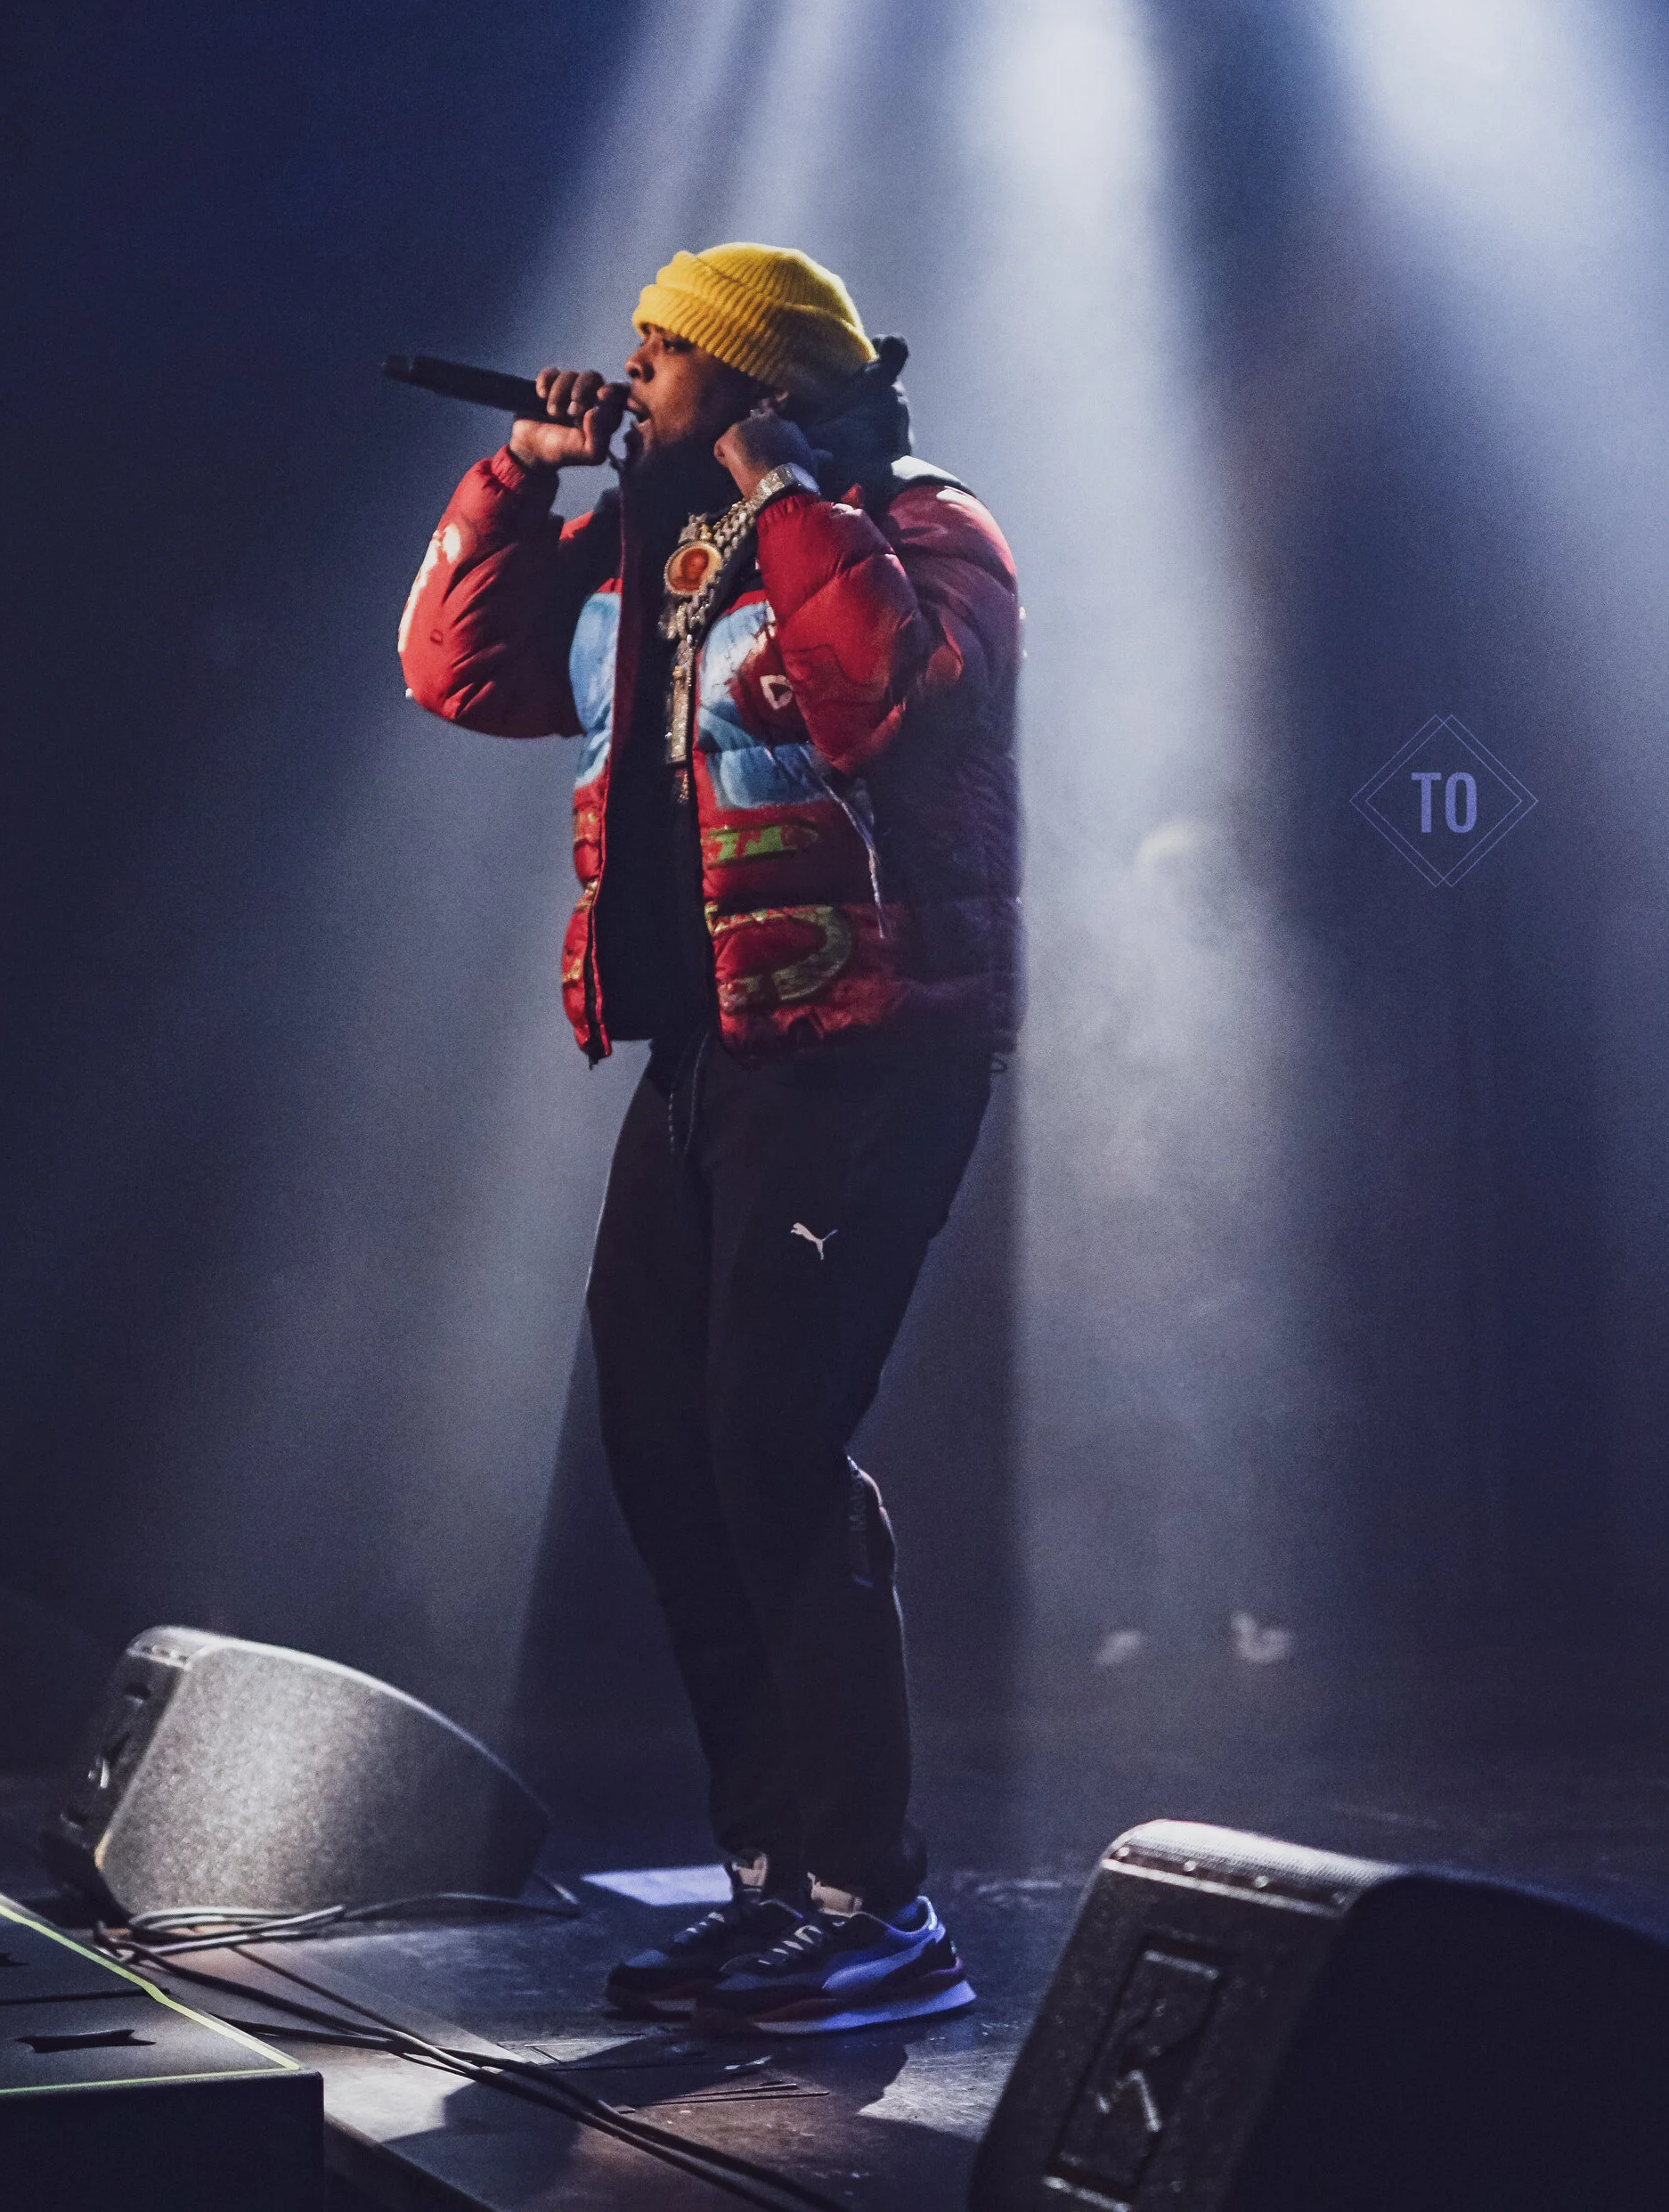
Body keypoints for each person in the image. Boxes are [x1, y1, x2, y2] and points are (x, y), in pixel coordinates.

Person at [401, 241, 1021, 2033]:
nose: (626, 377)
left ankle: (873, 1898)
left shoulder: (923, 530)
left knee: (768, 1436)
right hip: (703, 1056)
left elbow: (878, 700)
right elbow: (456, 670)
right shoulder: (648, 554)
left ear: (755, 380)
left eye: (662, 353)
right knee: (665, 1451)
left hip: (869, 1048)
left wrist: (779, 486)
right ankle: (772, 1877)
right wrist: (520, 473)